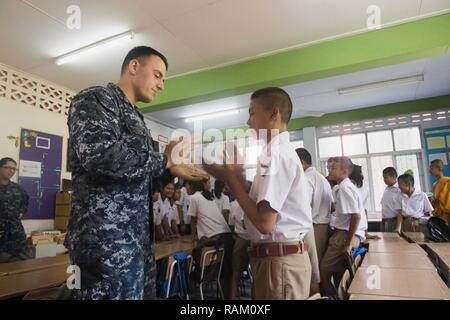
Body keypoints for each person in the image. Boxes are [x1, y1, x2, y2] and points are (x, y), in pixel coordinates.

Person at [65, 46, 207, 300]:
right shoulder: (97, 99)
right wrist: (164, 160)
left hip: (136, 242)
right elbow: (100, 156)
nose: (161, 85)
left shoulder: (137, 118)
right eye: (157, 75)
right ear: (134, 67)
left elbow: (141, 181)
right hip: (103, 245)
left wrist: (169, 171)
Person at [203, 87, 313, 300]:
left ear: (274, 114)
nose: (248, 121)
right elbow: (259, 208)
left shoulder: (277, 155)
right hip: (275, 260)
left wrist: (231, 179)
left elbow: (264, 223)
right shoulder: (272, 153)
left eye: (252, 113)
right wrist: (239, 179)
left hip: (280, 262)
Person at [320, 157, 367, 298]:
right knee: (340, 271)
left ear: (345, 171)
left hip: (344, 235)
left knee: (324, 270)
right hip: (346, 234)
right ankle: (340, 296)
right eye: (329, 168)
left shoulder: (344, 188)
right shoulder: (344, 187)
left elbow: (356, 216)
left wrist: (347, 243)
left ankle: (333, 297)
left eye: (333, 168)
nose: (330, 171)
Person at [186, 178, 233, 299]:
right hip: (226, 236)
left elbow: (193, 220)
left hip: (216, 239)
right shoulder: (209, 197)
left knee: (221, 274)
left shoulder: (194, 198)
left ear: (192, 186)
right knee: (225, 275)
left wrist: (192, 238)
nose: (187, 189)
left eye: (188, 186)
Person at [295, 148, 332, 295]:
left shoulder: (306, 178)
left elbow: (303, 205)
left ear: (302, 162)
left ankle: (316, 296)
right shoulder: (321, 177)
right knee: (318, 269)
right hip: (324, 225)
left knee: (312, 271)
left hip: (314, 227)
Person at [0, 157, 32, 263]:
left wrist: (22, 212)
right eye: (8, 167)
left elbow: (25, 201)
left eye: (14, 169)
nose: (11, 171)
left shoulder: (17, 188)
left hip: (16, 236)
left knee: (20, 267)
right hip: (1, 238)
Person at [228, 184, 252, 300]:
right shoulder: (253, 203)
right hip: (254, 241)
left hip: (240, 240)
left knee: (235, 272)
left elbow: (231, 224)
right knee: (256, 274)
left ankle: (233, 298)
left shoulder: (234, 205)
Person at [349, 164, 379, 240]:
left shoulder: (347, 187)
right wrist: (365, 232)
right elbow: (364, 211)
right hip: (360, 228)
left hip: (349, 227)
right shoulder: (365, 189)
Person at [380, 167, 401, 232]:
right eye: (383, 177)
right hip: (385, 221)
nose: (384, 180)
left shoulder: (399, 189)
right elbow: (384, 207)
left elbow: (400, 211)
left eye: (386, 177)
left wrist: (398, 228)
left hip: (394, 222)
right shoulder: (387, 189)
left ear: (393, 177)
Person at [430, 159, 450, 225]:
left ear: (438, 168)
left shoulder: (447, 181)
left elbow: (447, 200)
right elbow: (434, 201)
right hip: (438, 215)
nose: (429, 171)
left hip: (447, 214)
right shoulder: (434, 185)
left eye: (431, 168)